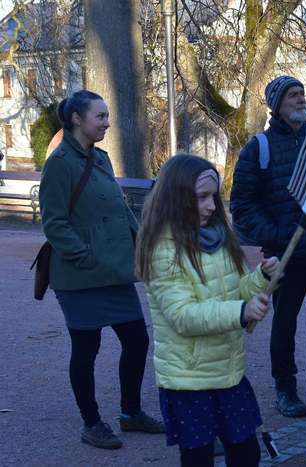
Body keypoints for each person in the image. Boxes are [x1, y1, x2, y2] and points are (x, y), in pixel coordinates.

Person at [135, 154, 280, 467]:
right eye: (201, 197)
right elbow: (183, 316)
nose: (212, 206)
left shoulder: (220, 238)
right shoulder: (163, 249)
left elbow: (237, 289)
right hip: (189, 380)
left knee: (247, 453)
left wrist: (262, 278)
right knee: (199, 458)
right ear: (177, 198)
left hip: (228, 372)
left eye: (213, 196)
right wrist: (241, 312)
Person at [39, 90, 164, 450]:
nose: (107, 123)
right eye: (100, 116)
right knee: (86, 348)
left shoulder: (101, 158)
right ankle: (92, 423)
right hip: (80, 276)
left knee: (137, 340)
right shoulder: (60, 162)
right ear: (77, 119)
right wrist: (84, 256)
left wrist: (142, 243)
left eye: (107, 116)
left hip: (114, 271)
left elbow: (120, 210)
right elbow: (54, 222)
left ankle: (130, 413)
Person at [230, 76, 306, 418]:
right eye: (292, 95)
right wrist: (276, 234)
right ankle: (285, 389)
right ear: (276, 105)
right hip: (286, 254)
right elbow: (242, 205)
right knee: (284, 322)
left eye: (302, 94)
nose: (301, 99)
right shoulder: (259, 148)